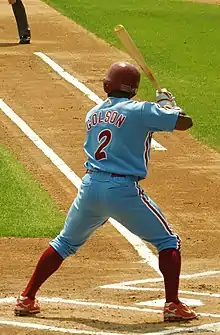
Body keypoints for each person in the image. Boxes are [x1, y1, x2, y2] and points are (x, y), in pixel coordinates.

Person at [14, 62, 198, 322]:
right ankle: (173, 304)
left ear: (106, 85)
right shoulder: (142, 110)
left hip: (90, 188)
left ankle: (27, 297)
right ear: (134, 90)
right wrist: (168, 106)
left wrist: (162, 109)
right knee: (168, 242)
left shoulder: (93, 113)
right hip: (122, 190)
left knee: (64, 243)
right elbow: (185, 123)